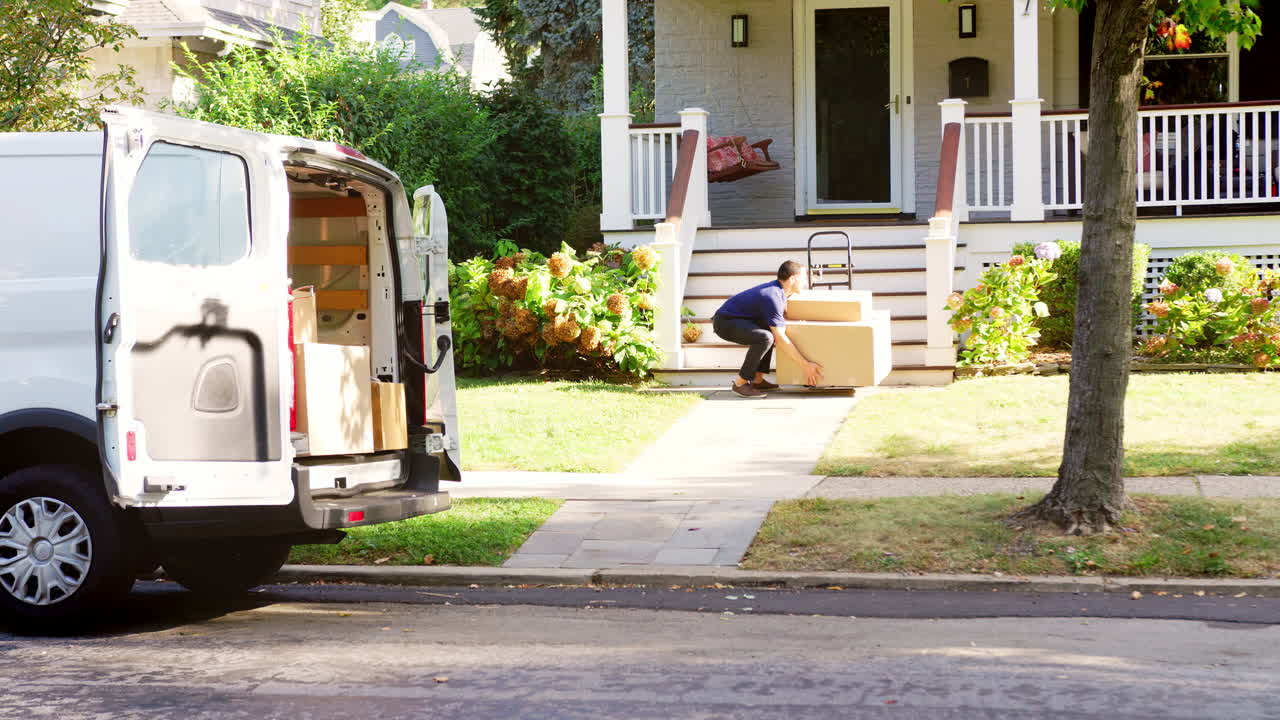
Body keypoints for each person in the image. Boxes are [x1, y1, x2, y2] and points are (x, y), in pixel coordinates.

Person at [712, 260, 823, 398]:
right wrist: (805, 365)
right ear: (793, 279)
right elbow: (781, 339)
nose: (805, 282)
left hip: (738, 320)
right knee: (766, 337)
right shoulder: (773, 296)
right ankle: (740, 384)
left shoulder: (780, 291)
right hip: (725, 322)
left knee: (770, 331)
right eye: (804, 278)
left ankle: (757, 380)